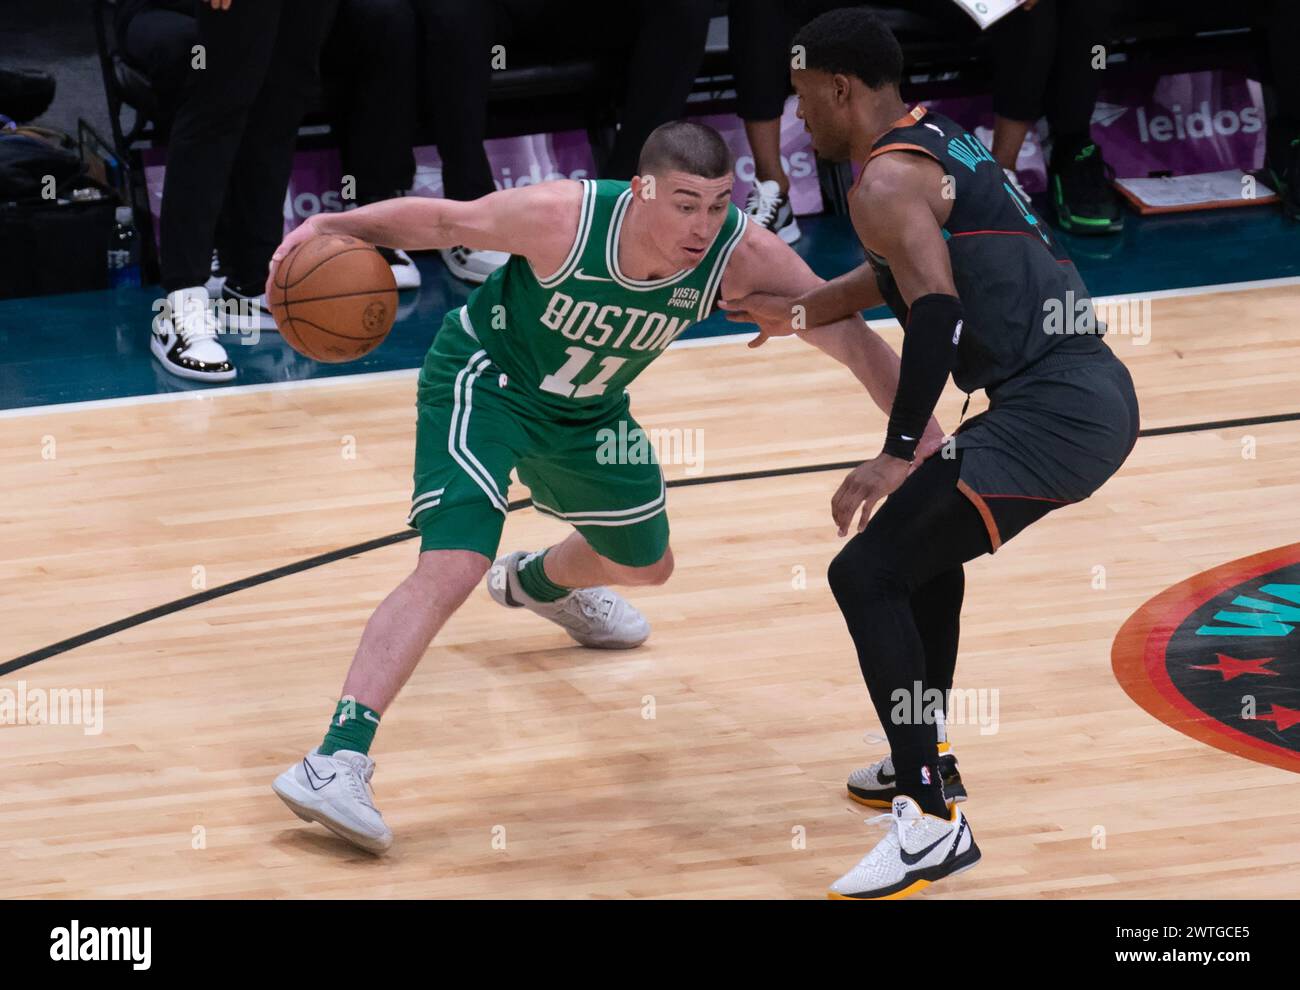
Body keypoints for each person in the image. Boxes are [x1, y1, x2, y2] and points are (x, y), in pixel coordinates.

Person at [265, 120, 944, 854]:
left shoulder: (738, 253)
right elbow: (442, 220)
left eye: (718, 204)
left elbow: (853, 339)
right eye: (685, 204)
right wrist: (332, 222)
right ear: (642, 190)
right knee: (454, 561)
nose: (703, 224)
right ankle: (335, 759)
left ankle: (539, 584)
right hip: (486, 382)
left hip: (588, 414)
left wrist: (925, 442)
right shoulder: (565, 217)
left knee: (650, 563)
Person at [725, 8, 1139, 898]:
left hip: (1057, 409)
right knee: (916, 557)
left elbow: (940, 316)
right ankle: (930, 759)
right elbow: (900, 275)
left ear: (839, 88)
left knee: (864, 574)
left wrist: (894, 451)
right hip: (1070, 394)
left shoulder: (880, 185)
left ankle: (931, 822)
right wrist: (798, 311)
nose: (798, 120)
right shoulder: (931, 141)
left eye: (801, 99)